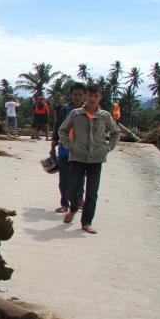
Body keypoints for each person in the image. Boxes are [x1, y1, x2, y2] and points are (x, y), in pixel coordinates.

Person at [58, 83, 121, 234]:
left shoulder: (104, 116)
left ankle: (86, 222)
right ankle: (73, 208)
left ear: (100, 97)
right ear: (86, 96)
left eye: (96, 96)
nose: (93, 99)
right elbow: (63, 130)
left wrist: (107, 148)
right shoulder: (75, 114)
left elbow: (116, 132)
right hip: (77, 156)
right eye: (90, 96)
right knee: (72, 188)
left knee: (92, 192)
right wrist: (69, 146)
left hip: (96, 158)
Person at [51, 84, 86, 212]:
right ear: (71, 95)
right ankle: (64, 203)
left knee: (79, 179)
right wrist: (53, 144)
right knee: (64, 178)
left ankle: (77, 202)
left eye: (80, 95)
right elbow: (58, 127)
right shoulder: (65, 109)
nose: (77, 97)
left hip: (81, 151)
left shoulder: (88, 111)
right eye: (75, 94)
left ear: (84, 96)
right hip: (65, 149)